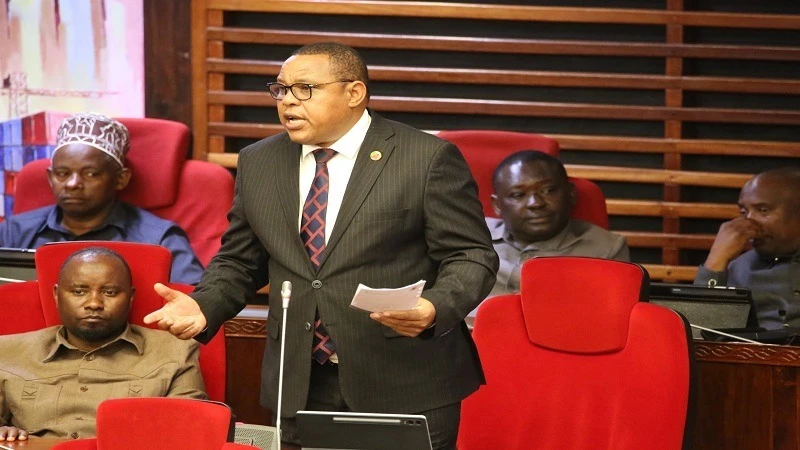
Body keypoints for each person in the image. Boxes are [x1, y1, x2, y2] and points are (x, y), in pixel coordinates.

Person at [144, 42, 498, 449]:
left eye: (305, 89)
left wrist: (436, 307)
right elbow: (241, 260)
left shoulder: (425, 158)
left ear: (354, 93)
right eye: (280, 90)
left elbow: (470, 254)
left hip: (401, 375)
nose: (288, 102)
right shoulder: (259, 161)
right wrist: (203, 304)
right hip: (299, 380)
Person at [0, 247, 206, 441]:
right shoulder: (7, 352)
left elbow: (187, 431)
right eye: (79, 291)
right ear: (56, 295)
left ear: (130, 297)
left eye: (110, 292)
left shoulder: (175, 351)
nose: (94, 304)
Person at [0, 112, 203, 284]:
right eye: (62, 173)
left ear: (121, 179)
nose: (72, 184)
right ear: (50, 178)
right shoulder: (14, 232)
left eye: (90, 174)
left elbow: (193, 303)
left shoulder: (159, 239)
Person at [485, 150, 629, 298]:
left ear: (571, 194)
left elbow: (614, 313)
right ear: (497, 205)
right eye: (518, 195)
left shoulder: (607, 249)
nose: (536, 203)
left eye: (548, 190)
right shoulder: (471, 237)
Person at [694, 168, 800, 330]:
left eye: (763, 210)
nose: (748, 223)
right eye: (744, 212)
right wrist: (715, 262)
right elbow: (699, 332)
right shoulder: (738, 268)